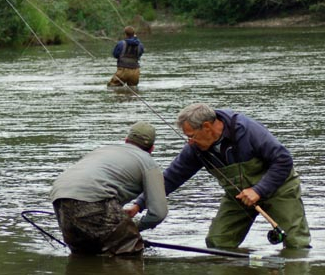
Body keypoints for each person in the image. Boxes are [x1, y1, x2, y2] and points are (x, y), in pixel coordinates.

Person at [127, 103, 311, 249]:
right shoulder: (196, 148)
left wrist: (258, 190)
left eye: (191, 135)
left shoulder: (246, 130)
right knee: (217, 243)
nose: (189, 141)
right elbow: (171, 177)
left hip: (279, 188)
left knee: (296, 244)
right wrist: (139, 204)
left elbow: (283, 160)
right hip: (238, 197)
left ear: (207, 127)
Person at [50, 121, 168, 255]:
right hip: (94, 199)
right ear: (152, 148)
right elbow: (158, 213)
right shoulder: (148, 163)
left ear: (126, 140)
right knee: (129, 253)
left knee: (83, 256)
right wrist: (134, 228)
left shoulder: (103, 150)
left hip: (59, 197)